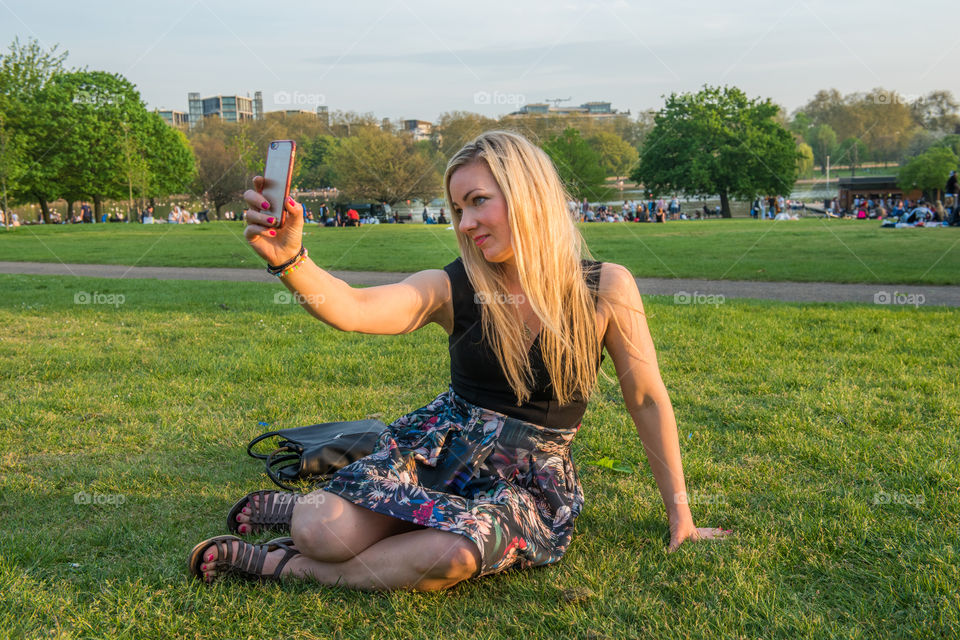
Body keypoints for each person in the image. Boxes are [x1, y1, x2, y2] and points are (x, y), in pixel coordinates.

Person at [188, 130, 730, 591]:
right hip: (441, 448)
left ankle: (288, 566)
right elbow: (354, 308)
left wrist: (680, 513)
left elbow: (647, 399)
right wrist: (292, 261)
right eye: (457, 208)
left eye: (478, 201)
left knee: (455, 554)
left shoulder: (606, 288)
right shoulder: (454, 286)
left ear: (527, 195)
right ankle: (300, 522)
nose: (465, 222)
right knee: (320, 529)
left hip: (525, 479)